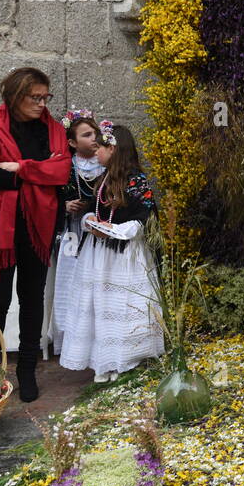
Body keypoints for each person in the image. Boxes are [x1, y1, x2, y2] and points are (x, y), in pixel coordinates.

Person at [0, 67, 70, 401]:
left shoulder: (54, 131)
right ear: (15, 96)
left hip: (38, 229)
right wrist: (38, 173)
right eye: (35, 97)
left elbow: (61, 172)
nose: (42, 103)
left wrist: (20, 168)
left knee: (31, 300)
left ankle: (27, 370)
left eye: (46, 97)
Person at [59, 122, 164, 381]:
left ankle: (126, 357)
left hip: (124, 256)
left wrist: (115, 230)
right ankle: (103, 359)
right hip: (99, 255)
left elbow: (144, 217)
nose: (96, 152)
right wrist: (91, 221)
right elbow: (89, 209)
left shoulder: (136, 180)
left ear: (114, 149)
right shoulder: (102, 178)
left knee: (124, 303)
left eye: (101, 147)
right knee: (101, 303)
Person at [50, 109, 104, 356]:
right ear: (72, 142)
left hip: (100, 230)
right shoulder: (65, 166)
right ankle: (73, 339)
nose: (94, 138)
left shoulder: (106, 161)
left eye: (96, 133)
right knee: (72, 281)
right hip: (73, 233)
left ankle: (100, 337)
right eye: (87, 135)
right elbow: (48, 198)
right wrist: (64, 206)